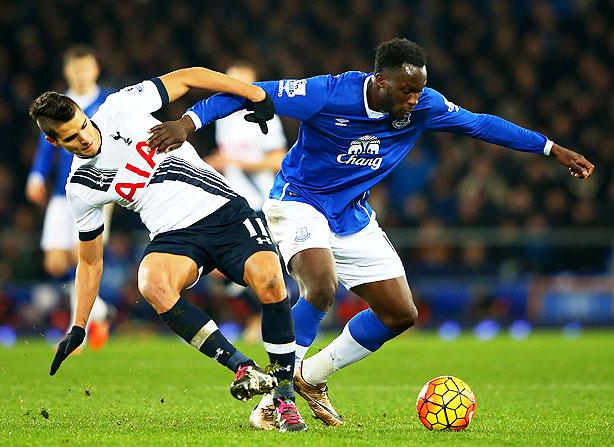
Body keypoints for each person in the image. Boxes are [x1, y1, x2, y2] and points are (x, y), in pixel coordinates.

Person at [145, 38, 595, 428]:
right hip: (297, 201)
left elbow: (480, 124)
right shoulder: (328, 93)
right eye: (407, 90)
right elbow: (247, 94)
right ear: (380, 81)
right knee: (320, 289)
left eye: (420, 89)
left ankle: (311, 375)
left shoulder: (424, 105)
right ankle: (274, 401)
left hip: (352, 215)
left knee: (400, 314)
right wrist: (188, 123)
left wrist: (551, 148)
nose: (415, 99)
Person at [28, 67, 307, 432]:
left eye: (82, 125)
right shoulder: (80, 187)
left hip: (222, 210)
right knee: (152, 283)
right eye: (70, 137)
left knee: (271, 282)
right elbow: (90, 262)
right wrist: (78, 325)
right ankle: (242, 366)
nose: (83, 137)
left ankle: (283, 398)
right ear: (53, 142)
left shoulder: (119, 107)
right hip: (173, 235)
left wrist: (252, 93)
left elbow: (190, 77)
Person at [26, 45, 113, 349]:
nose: (80, 73)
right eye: (75, 69)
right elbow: (45, 147)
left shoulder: (107, 102)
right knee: (54, 263)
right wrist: (36, 176)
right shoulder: (59, 106)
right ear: (67, 72)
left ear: (95, 70)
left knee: (83, 257)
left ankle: (78, 329)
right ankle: (99, 308)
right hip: (63, 192)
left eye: (85, 68)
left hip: (97, 190)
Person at [206, 60, 288, 343]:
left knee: (252, 268)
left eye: (240, 80)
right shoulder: (224, 118)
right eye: (229, 80)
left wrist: (235, 162)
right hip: (231, 203)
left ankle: (270, 321)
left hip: (259, 202)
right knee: (219, 269)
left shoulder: (265, 116)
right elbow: (226, 158)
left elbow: (278, 159)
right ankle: (260, 318)